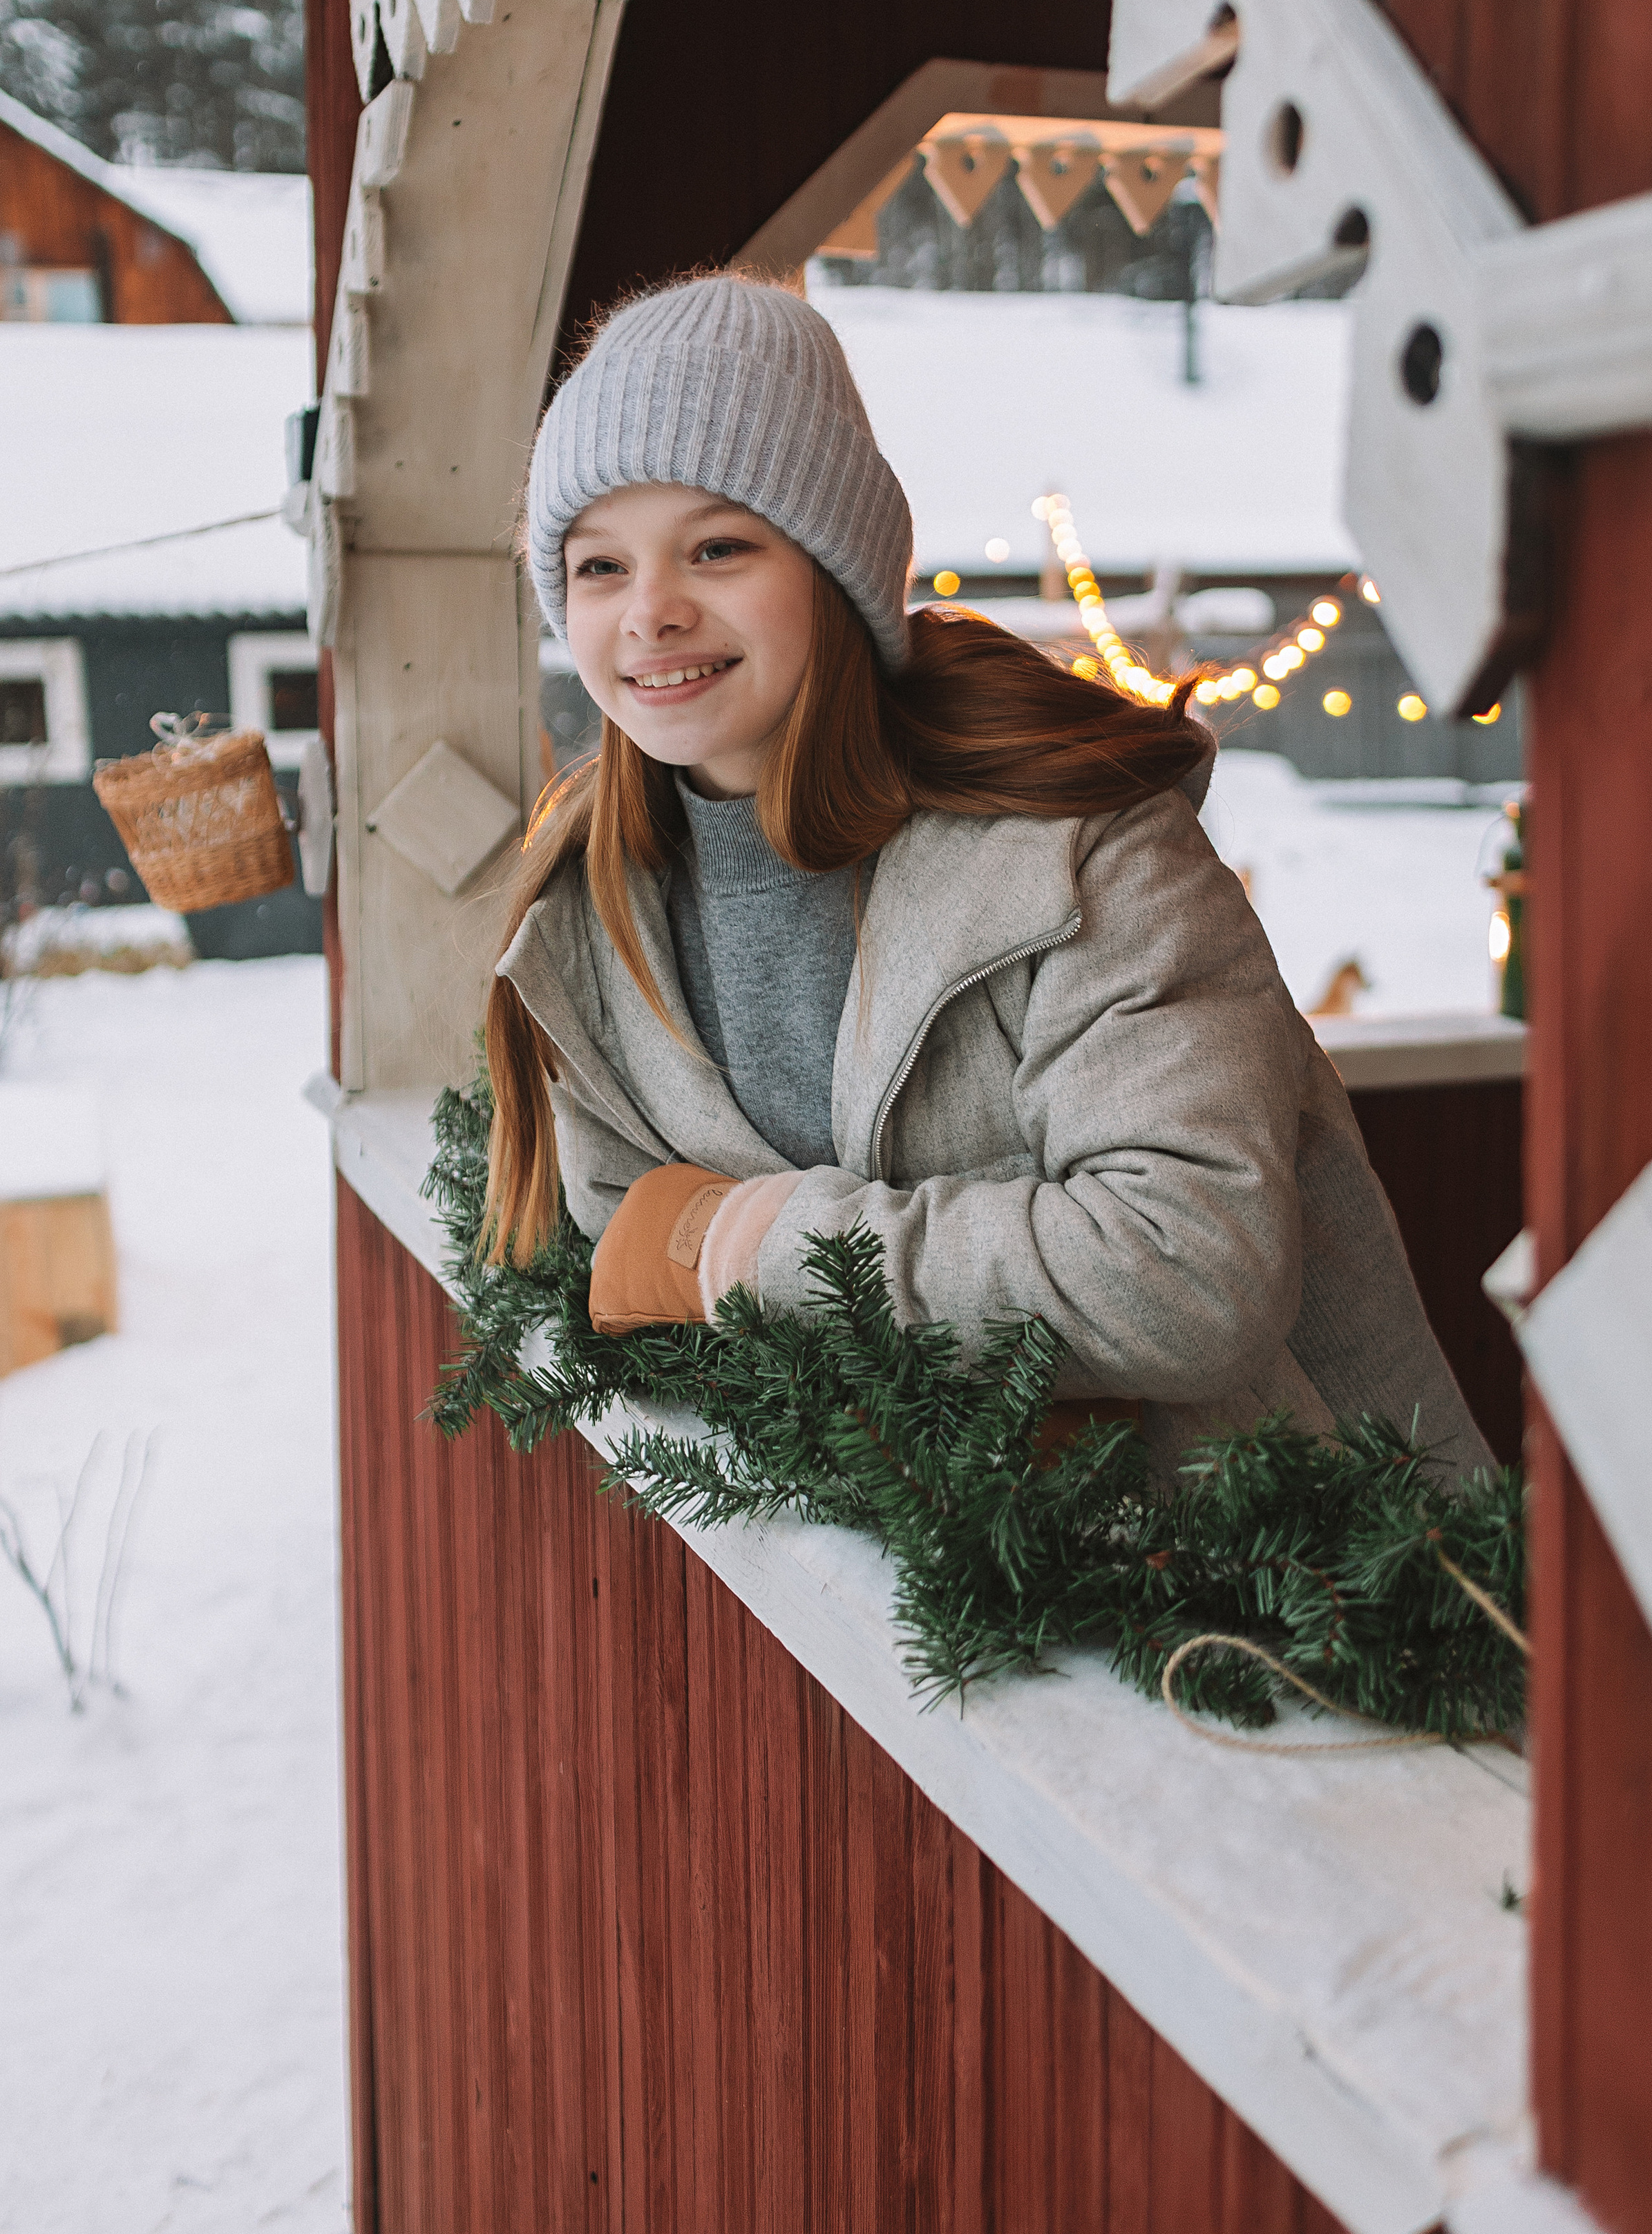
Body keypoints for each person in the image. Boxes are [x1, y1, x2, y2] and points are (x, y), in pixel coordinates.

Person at [486, 274, 1492, 1484]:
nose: (651, 612)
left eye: (718, 546)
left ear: (834, 569)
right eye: (599, 568)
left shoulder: (1074, 843)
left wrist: (754, 1245)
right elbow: (625, 1244)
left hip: (1296, 1593)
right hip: (913, 1623)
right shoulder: (589, 906)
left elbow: (1190, 1271)